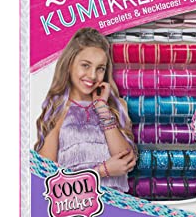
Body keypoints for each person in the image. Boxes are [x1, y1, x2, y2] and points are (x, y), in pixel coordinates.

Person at [34, 28, 136, 190]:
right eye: (85, 65)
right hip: (77, 203)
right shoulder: (58, 109)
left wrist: (102, 108)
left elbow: (125, 161)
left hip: (116, 201)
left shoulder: (115, 106)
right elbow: (45, 178)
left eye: (100, 68)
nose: (93, 75)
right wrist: (101, 171)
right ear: (69, 64)